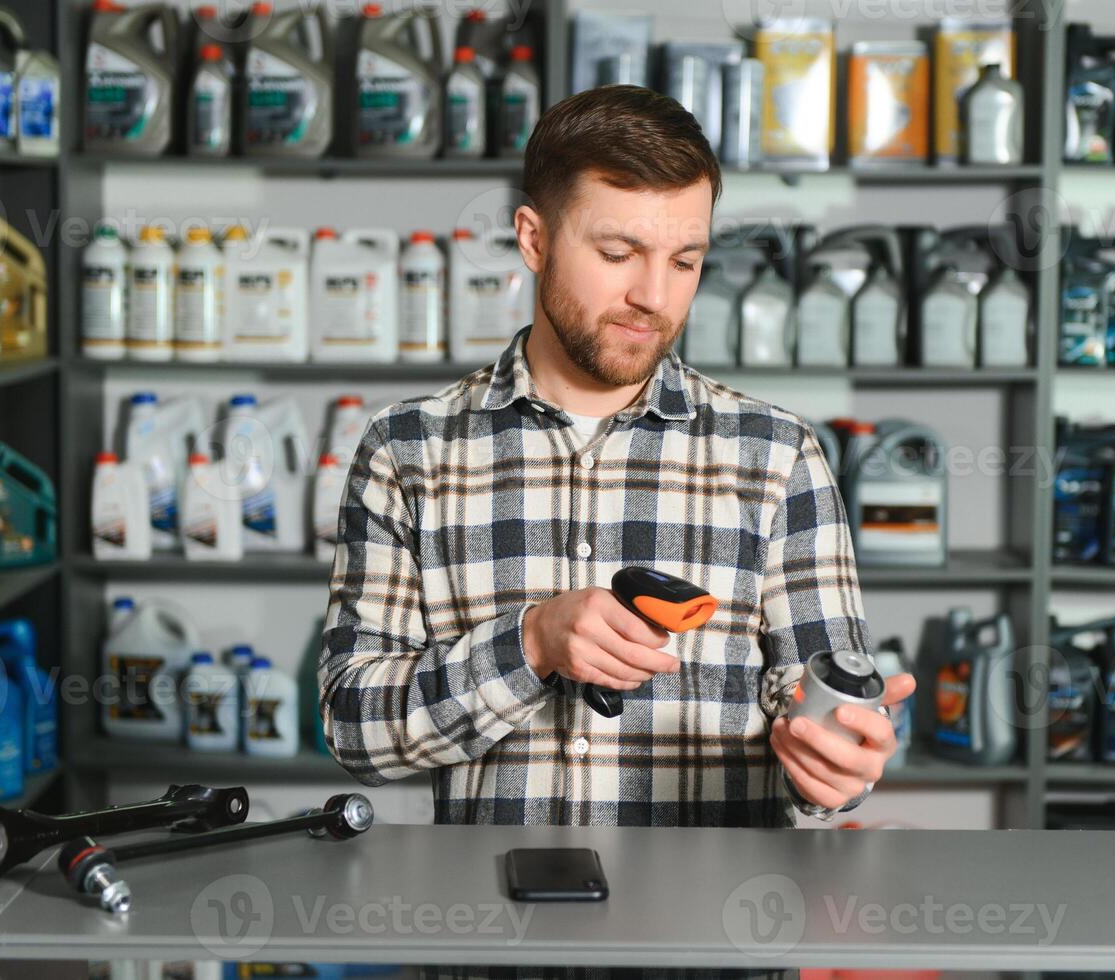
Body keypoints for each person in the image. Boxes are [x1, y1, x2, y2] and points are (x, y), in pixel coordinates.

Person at [319, 84, 916, 977]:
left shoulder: (778, 456)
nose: (653, 295)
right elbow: (355, 729)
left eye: (685, 259)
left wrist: (834, 757)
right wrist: (529, 643)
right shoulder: (409, 451)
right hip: (489, 953)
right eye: (618, 251)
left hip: (714, 952)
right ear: (532, 238)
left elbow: (820, 704)